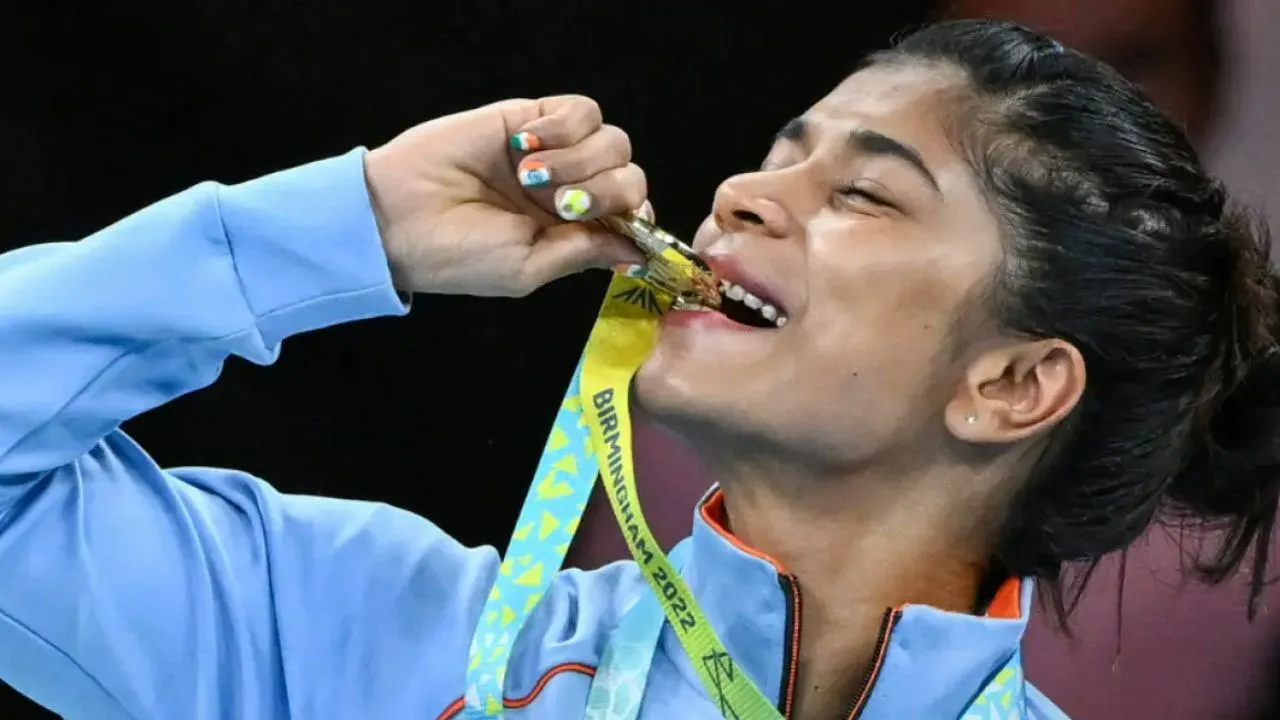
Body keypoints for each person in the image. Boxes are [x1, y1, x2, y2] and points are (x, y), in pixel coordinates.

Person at [0, 18, 1275, 720]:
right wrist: (353, 226)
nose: (741, 194)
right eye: (780, 153)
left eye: (866, 195)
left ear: (1010, 386)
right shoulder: (375, 642)